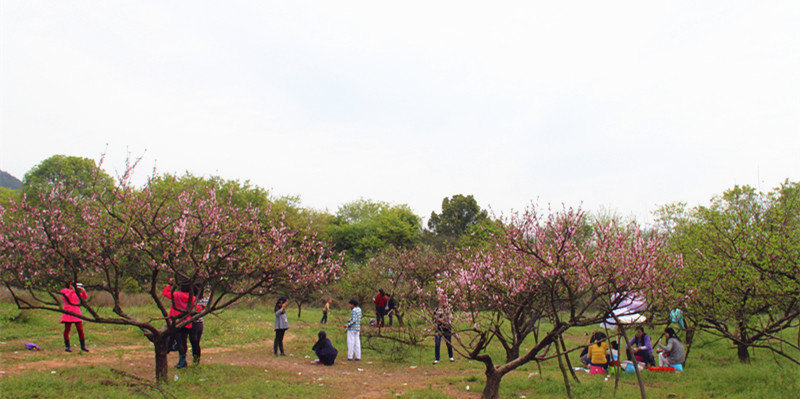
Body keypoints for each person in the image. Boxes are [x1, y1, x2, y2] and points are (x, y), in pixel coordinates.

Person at [163, 279, 195, 368]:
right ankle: (182, 359)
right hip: (187, 322)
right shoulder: (192, 298)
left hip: (176, 322)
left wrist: (170, 285)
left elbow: (165, 293)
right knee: (183, 341)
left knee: (176, 339)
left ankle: (170, 351)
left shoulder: (176, 295)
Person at [60, 283, 89, 352]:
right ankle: (67, 346)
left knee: (80, 329)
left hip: (76, 311)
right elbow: (67, 297)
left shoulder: (76, 292)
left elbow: (84, 297)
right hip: (68, 311)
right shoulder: (64, 291)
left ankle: (83, 346)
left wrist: (83, 291)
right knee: (67, 329)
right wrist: (73, 290)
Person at [189, 285, 208, 365]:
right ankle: (196, 359)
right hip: (200, 324)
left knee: (194, 342)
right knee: (197, 342)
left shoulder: (192, 300)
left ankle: (196, 359)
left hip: (194, 323)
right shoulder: (204, 300)